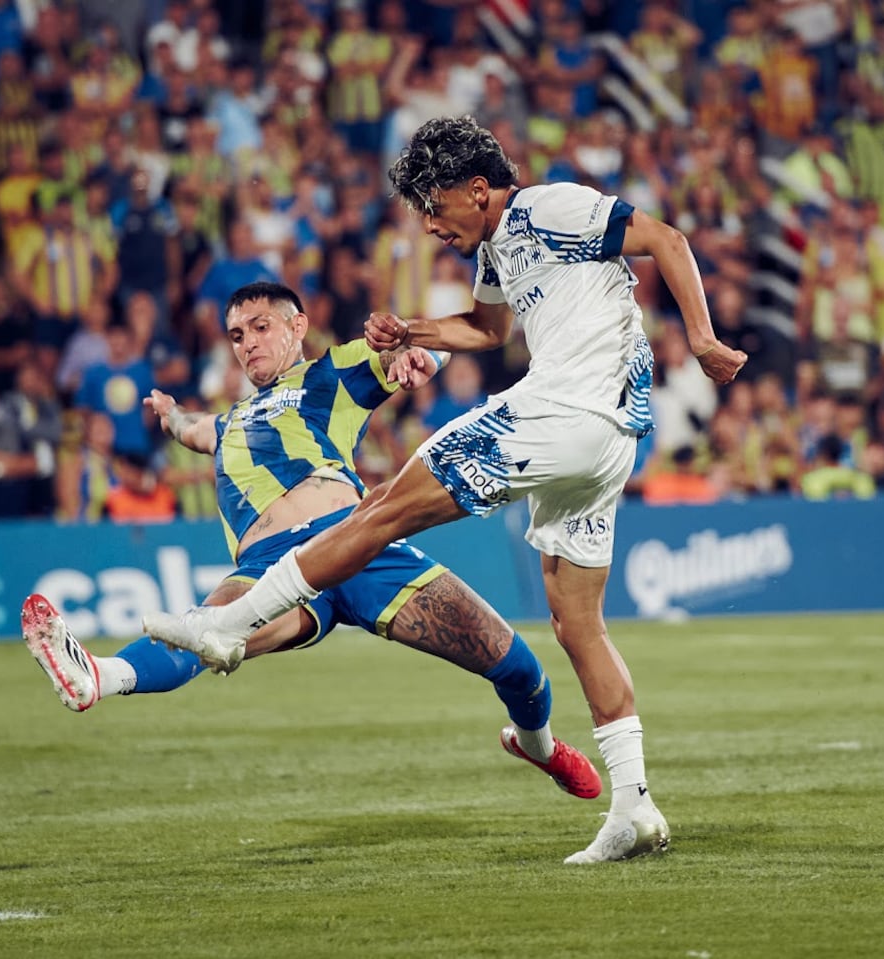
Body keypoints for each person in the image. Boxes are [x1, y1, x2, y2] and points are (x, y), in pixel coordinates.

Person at [145, 118, 748, 864]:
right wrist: (412, 333)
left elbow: (666, 239)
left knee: (378, 510)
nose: (430, 224)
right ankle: (635, 808)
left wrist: (702, 338)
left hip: (562, 409)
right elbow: (488, 331)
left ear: (479, 188)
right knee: (576, 624)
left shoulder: (549, 205)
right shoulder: (498, 247)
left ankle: (228, 623)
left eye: (435, 206)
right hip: (606, 442)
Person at [22, 281, 602, 811]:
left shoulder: (331, 374)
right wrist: (172, 416)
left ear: (297, 326)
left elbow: (420, 346)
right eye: (236, 336)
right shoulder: (225, 425)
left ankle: (539, 746)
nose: (247, 344)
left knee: (517, 667)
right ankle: (96, 675)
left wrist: (424, 357)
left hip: (359, 544)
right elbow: (192, 428)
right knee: (204, 633)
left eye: (260, 327)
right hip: (268, 566)